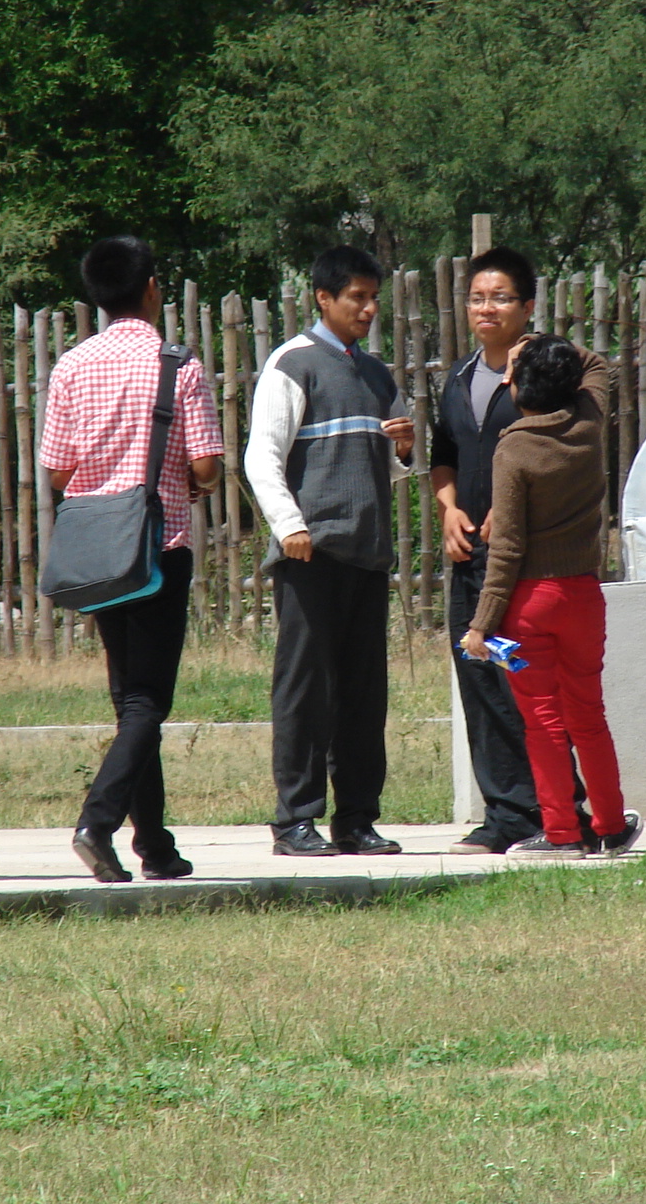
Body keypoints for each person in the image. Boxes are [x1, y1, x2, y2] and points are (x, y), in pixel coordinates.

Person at [38, 237, 225, 883]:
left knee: (131, 702)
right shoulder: (178, 365)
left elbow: (58, 471)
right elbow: (205, 464)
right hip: (160, 545)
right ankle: (98, 820)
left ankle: (156, 847)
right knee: (148, 702)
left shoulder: (71, 366)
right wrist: (187, 477)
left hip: (99, 551)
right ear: (151, 288)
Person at [245, 244, 414, 857]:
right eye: (357, 298)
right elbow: (260, 456)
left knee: (365, 696)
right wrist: (289, 525)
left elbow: (384, 469)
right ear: (323, 297)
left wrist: (403, 450)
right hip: (310, 557)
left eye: (374, 299)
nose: (369, 309)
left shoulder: (377, 375)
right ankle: (295, 819)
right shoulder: (293, 363)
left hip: (367, 557)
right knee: (305, 691)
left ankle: (357, 819)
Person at [431, 247, 593, 853]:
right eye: (477, 297)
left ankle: (558, 811)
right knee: (482, 679)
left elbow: (566, 448)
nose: (486, 308)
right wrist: (448, 510)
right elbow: (442, 456)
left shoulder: (550, 375)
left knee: (525, 682)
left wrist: (517, 506)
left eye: (500, 297)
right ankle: (506, 812)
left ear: (527, 306)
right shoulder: (457, 378)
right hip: (469, 564)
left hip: (525, 570)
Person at [459, 335, 640, 859]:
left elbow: (507, 548)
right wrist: (539, 345)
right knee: (589, 715)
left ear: (522, 389)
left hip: (530, 606)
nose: (506, 378)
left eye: (512, 373)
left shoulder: (514, 446)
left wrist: (480, 625)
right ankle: (609, 826)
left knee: (542, 724)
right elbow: (598, 363)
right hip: (584, 597)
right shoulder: (587, 421)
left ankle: (562, 833)